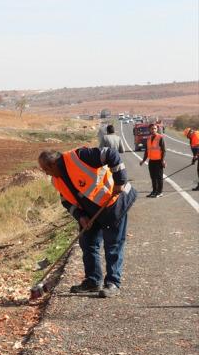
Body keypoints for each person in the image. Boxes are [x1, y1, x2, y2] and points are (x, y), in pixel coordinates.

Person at [38, 147, 137, 298]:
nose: (46, 173)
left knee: (113, 244)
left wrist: (120, 181)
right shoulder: (56, 180)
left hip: (114, 203)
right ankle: (93, 281)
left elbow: (110, 154)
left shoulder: (80, 157)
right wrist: (80, 216)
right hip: (90, 213)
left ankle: (112, 283)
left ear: (53, 164)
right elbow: (65, 201)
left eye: (45, 169)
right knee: (88, 243)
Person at [139, 124, 166, 197]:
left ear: (157, 129)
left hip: (159, 161)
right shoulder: (149, 138)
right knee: (153, 177)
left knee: (159, 177)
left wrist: (163, 160)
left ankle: (160, 192)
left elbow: (164, 150)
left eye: (155, 128)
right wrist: (143, 160)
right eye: (152, 129)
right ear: (149, 130)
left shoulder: (160, 137)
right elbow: (147, 151)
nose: (153, 130)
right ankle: (154, 191)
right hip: (151, 161)